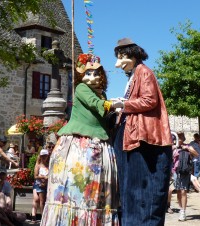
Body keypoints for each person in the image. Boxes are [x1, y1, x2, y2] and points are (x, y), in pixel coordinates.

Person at [40, 53, 119, 226]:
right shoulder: (82, 89)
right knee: (78, 188)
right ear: (82, 75)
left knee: (95, 193)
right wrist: (113, 104)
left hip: (100, 142)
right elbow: (94, 104)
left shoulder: (103, 94)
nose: (93, 77)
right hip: (80, 143)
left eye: (97, 73)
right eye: (88, 73)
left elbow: (104, 115)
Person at [112, 38, 173, 226]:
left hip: (142, 136)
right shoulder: (133, 76)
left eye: (121, 57)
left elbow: (149, 100)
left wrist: (123, 104)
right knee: (130, 187)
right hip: (131, 134)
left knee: (141, 187)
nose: (117, 64)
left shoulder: (144, 72)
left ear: (132, 54)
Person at [171, 132, 198, 221]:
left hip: (184, 172)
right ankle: (181, 208)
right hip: (175, 171)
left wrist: (186, 148)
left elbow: (196, 154)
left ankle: (183, 211)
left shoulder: (188, 146)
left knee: (183, 191)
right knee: (178, 191)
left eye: (181, 137)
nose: (179, 138)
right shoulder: (173, 147)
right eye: (178, 137)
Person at [31, 149, 49, 223]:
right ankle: (34, 216)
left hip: (45, 185)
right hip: (38, 184)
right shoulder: (38, 165)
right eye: (43, 156)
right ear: (40, 156)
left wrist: (46, 179)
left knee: (42, 201)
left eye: (45, 156)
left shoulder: (49, 165)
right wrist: (43, 177)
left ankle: (42, 217)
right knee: (36, 199)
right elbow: (35, 176)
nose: (44, 157)